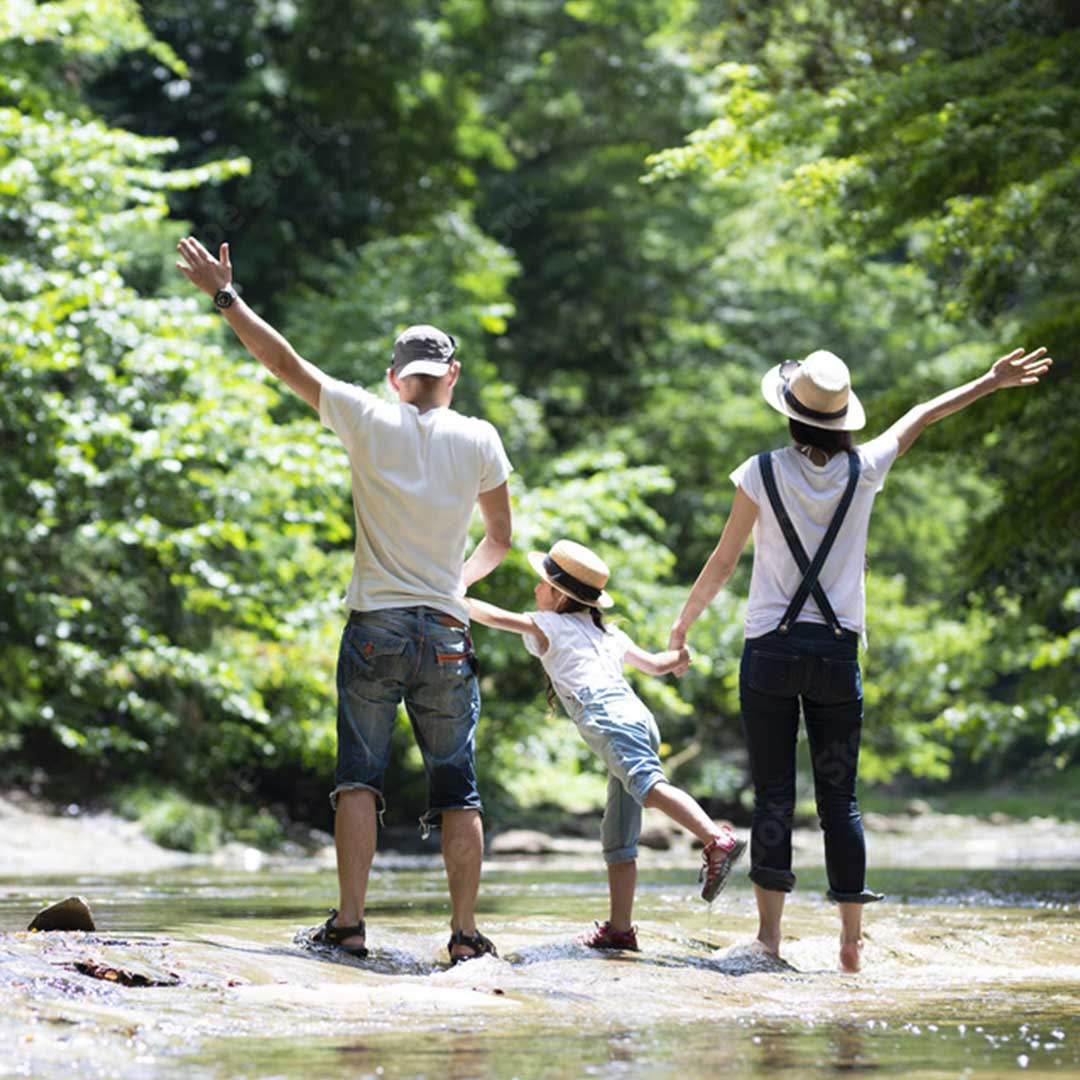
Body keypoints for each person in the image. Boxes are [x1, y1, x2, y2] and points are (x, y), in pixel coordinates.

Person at [175, 237, 514, 964]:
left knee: (358, 777)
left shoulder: (364, 415)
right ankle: (463, 934)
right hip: (447, 634)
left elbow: (284, 363)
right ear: (450, 376)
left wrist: (225, 296)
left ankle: (351, 924)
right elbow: (501, 540)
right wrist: (457, 584)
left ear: (396, 378)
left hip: (374, 628)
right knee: (458, 787)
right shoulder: (481, 438)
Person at [668, 345, 1052, 972]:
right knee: (839, 801)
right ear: (845, 419)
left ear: (791, 415)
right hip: (836, 655)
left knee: (772, 797)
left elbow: (724, 560)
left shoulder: (760, 472)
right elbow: (922, 414)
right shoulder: (864, 468)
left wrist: (683, 627)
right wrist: (990, 380)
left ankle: (769, 939)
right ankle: (850, 942)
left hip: (769, 650)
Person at [466, 539, 746, 952]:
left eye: (541, 585)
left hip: (609, 719)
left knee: (648, 786)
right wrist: (679, 657)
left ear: (559, 595)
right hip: (637, 716)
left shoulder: (551, 624)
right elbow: (654, 664)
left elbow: (495, 617)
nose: (535, 592)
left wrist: (453, 597)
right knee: (619, 837)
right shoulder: (607, 632)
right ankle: (620, 928)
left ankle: (714, 839)